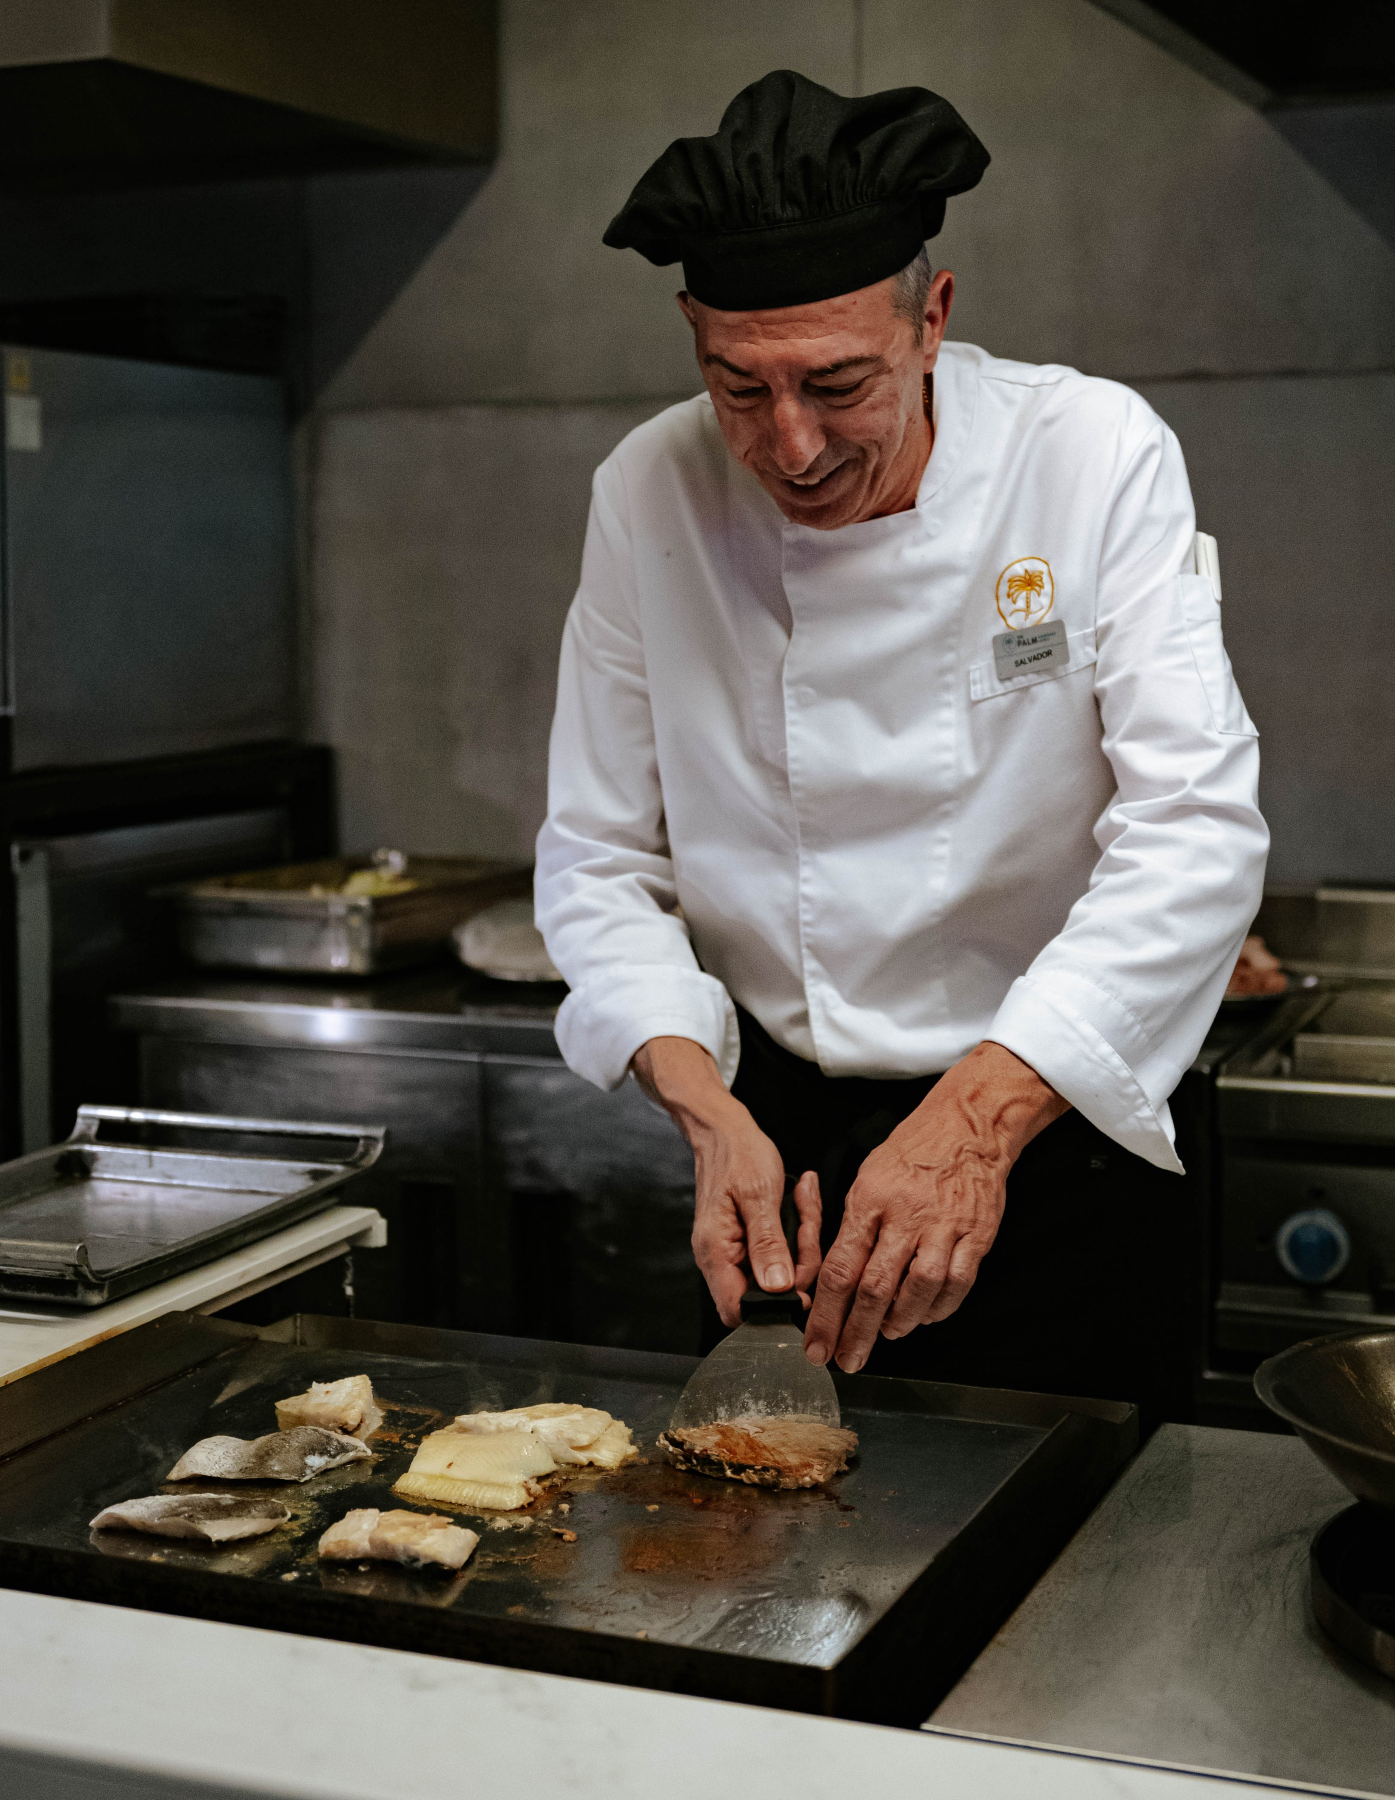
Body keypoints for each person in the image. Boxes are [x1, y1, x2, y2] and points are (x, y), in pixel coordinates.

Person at [534, 70, 1267, 1418]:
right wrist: (704, 1109)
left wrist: (975, 1126)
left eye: (838, 383)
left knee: (1079, 1529)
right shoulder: (648, 491)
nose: (790, 445)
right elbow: (596, 857)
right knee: (776, 1523)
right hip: (782, 1153)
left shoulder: (1089, 453)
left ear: (932, 321)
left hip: (1050, 1119)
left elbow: (1195, 828)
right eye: (737, 386)